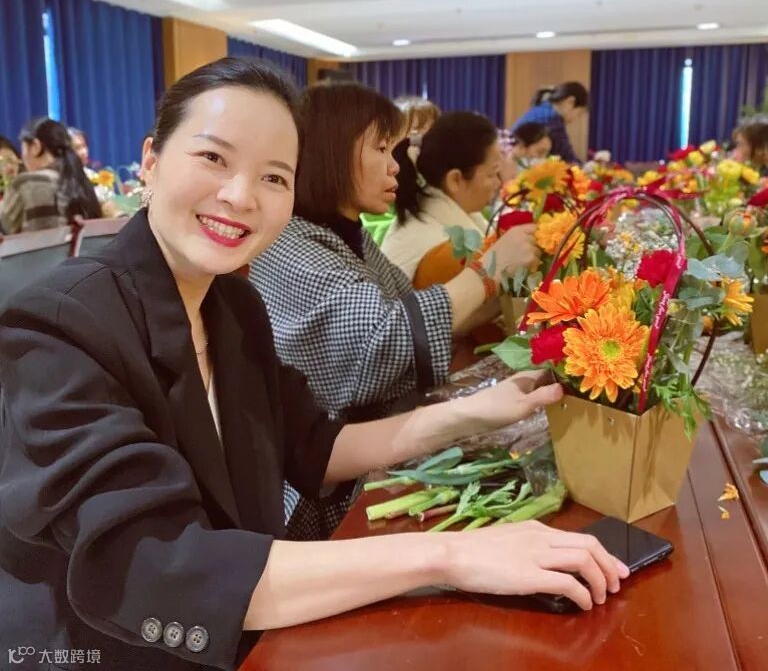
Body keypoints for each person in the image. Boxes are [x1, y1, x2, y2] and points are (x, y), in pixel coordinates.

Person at [0, 57, 627, 671]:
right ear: (151, 161)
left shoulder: (233, 305)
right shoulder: (61, 322)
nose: (240, 196)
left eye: (274, 177)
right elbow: (157, 565)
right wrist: (451, 555)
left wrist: (482, 411)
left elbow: (313, 445)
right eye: (213, 158)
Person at [250, 83, 537, 537]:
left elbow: (409, 308)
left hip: (375, 447)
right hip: (324, 490)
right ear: (332, 150)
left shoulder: (348, 233)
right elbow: (385, 338)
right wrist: (489, 271)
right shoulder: (291, 246)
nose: (396, 165)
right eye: (381, 148)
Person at [382, 111, 503, 285]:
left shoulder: (431, 215)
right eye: (492, 174)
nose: (499, 183)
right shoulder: (445, 252)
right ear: (455, 179)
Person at [360, 95, 441, 245]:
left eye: (430, 131)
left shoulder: (440, 174)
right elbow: (374, 227)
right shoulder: (382, 175)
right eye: (414, 132)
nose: (421, 139)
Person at [512, 81, 589, 165]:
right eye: (579, 113)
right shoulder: (552, 120)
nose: (575, 119)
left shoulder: (541, 109)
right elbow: (568, 160)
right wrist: (584, 169)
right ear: (570, 101)